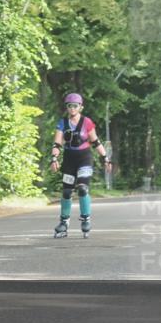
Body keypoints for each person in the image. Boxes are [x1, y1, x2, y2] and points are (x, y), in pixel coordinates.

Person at [49, 93, 111, 238]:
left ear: (80, 107)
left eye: (75, 106)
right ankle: (64, 222)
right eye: (69, 106)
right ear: (67, 108)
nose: (72, 109)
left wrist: (105, 158)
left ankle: (85, 218)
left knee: (82, 188)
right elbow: (57, 143)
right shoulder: (62, 123)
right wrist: (54, 158)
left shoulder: (87, 122)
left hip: (84, 158)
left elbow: (96, 142)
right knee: (66, 192)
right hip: (69, 159)